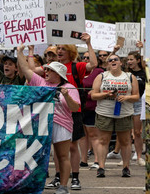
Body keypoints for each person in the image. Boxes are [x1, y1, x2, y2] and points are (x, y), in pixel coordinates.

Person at [17, 45, 80, 194]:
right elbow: (26, 70)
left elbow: (74, 108)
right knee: (35, 155)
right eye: (45, 69)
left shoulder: (69, 87)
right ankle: (32, 184)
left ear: (58, 74)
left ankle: (63, 186)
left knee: (62, 155)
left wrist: (66, 95)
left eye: (49, 70)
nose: (45, 72)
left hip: (61, 124)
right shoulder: (41, 83)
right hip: (41, 124)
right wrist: (20, 52)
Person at [52, 33, 97, 190]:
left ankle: (75, 178)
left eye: (63, 48)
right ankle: (58, 176)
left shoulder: (76, 66)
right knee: (57, 147)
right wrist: (29, 51)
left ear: (70, 52)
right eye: (58, 48)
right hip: (57, 111)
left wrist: (89, 44)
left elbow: (93, 63)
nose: (59, 51)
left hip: (73, 110)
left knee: (72, 146)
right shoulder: (52, 68)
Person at [91, 54, 139, 178]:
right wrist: (106, 94)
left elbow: (136, 96)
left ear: (120, 63)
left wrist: (126, 97)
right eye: (110, 60)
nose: (113, 61)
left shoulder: (129, 76)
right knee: (103, 141)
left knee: (125, 141)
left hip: (124, 113)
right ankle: (101, 167)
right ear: (107, 64)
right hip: (104, 113)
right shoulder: (101, 76)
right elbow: (93, 95)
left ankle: (126, 167)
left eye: (115, 60)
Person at [79, 52, 104, 170]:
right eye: (83, 57)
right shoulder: (79, 70)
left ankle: (97, 160)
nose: (85, 59)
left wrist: (92, 93)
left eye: (88, 58)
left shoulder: (98, 72)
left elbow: (101, 88)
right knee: (82, 135)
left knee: (93, 134)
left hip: (92, 106)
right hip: (80, 106)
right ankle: (83, 160)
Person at [126, 50, 146, 166]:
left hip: (139, 103)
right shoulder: (126, 73)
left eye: (131, 59)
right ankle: (126, 157)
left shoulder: (145, 74)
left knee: (137, 132)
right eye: (128, 59)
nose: (129, 62)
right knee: (126, 132)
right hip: (127, 102)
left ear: (138, 60)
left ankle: (139, 156)